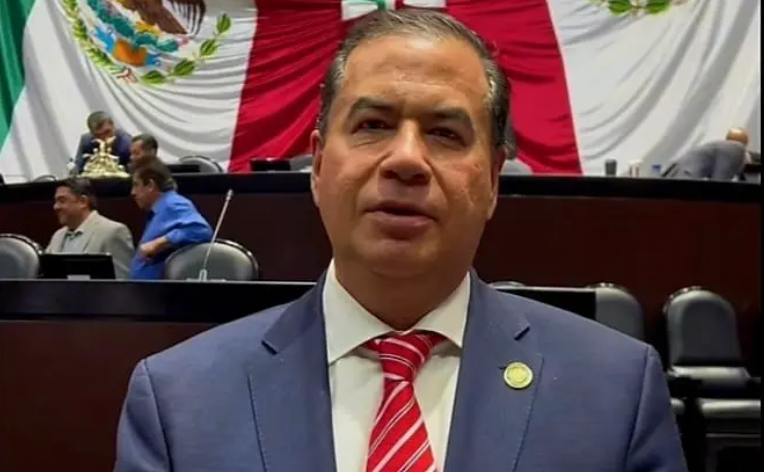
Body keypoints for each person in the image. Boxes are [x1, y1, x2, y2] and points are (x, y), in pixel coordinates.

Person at [114, 10, 687, 472]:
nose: (407, 159)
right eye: (373, 125)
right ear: (318, 166)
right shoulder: (180, 401)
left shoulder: (615, 392)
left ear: (492, 180)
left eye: (445, 133)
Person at [128, 158, 212, 280]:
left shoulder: (173, 204)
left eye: (136, 185)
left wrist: (159, 243)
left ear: (150, 185)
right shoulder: (161, 208)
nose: (133, 192)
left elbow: (201, 230)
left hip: (159, 290)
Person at [47, 178, 134, 279]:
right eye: (56, 201)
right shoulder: (57, 236)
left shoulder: (113, 232)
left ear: (83, 202)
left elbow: (123, 282)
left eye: (62, 201)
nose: (56, 207)